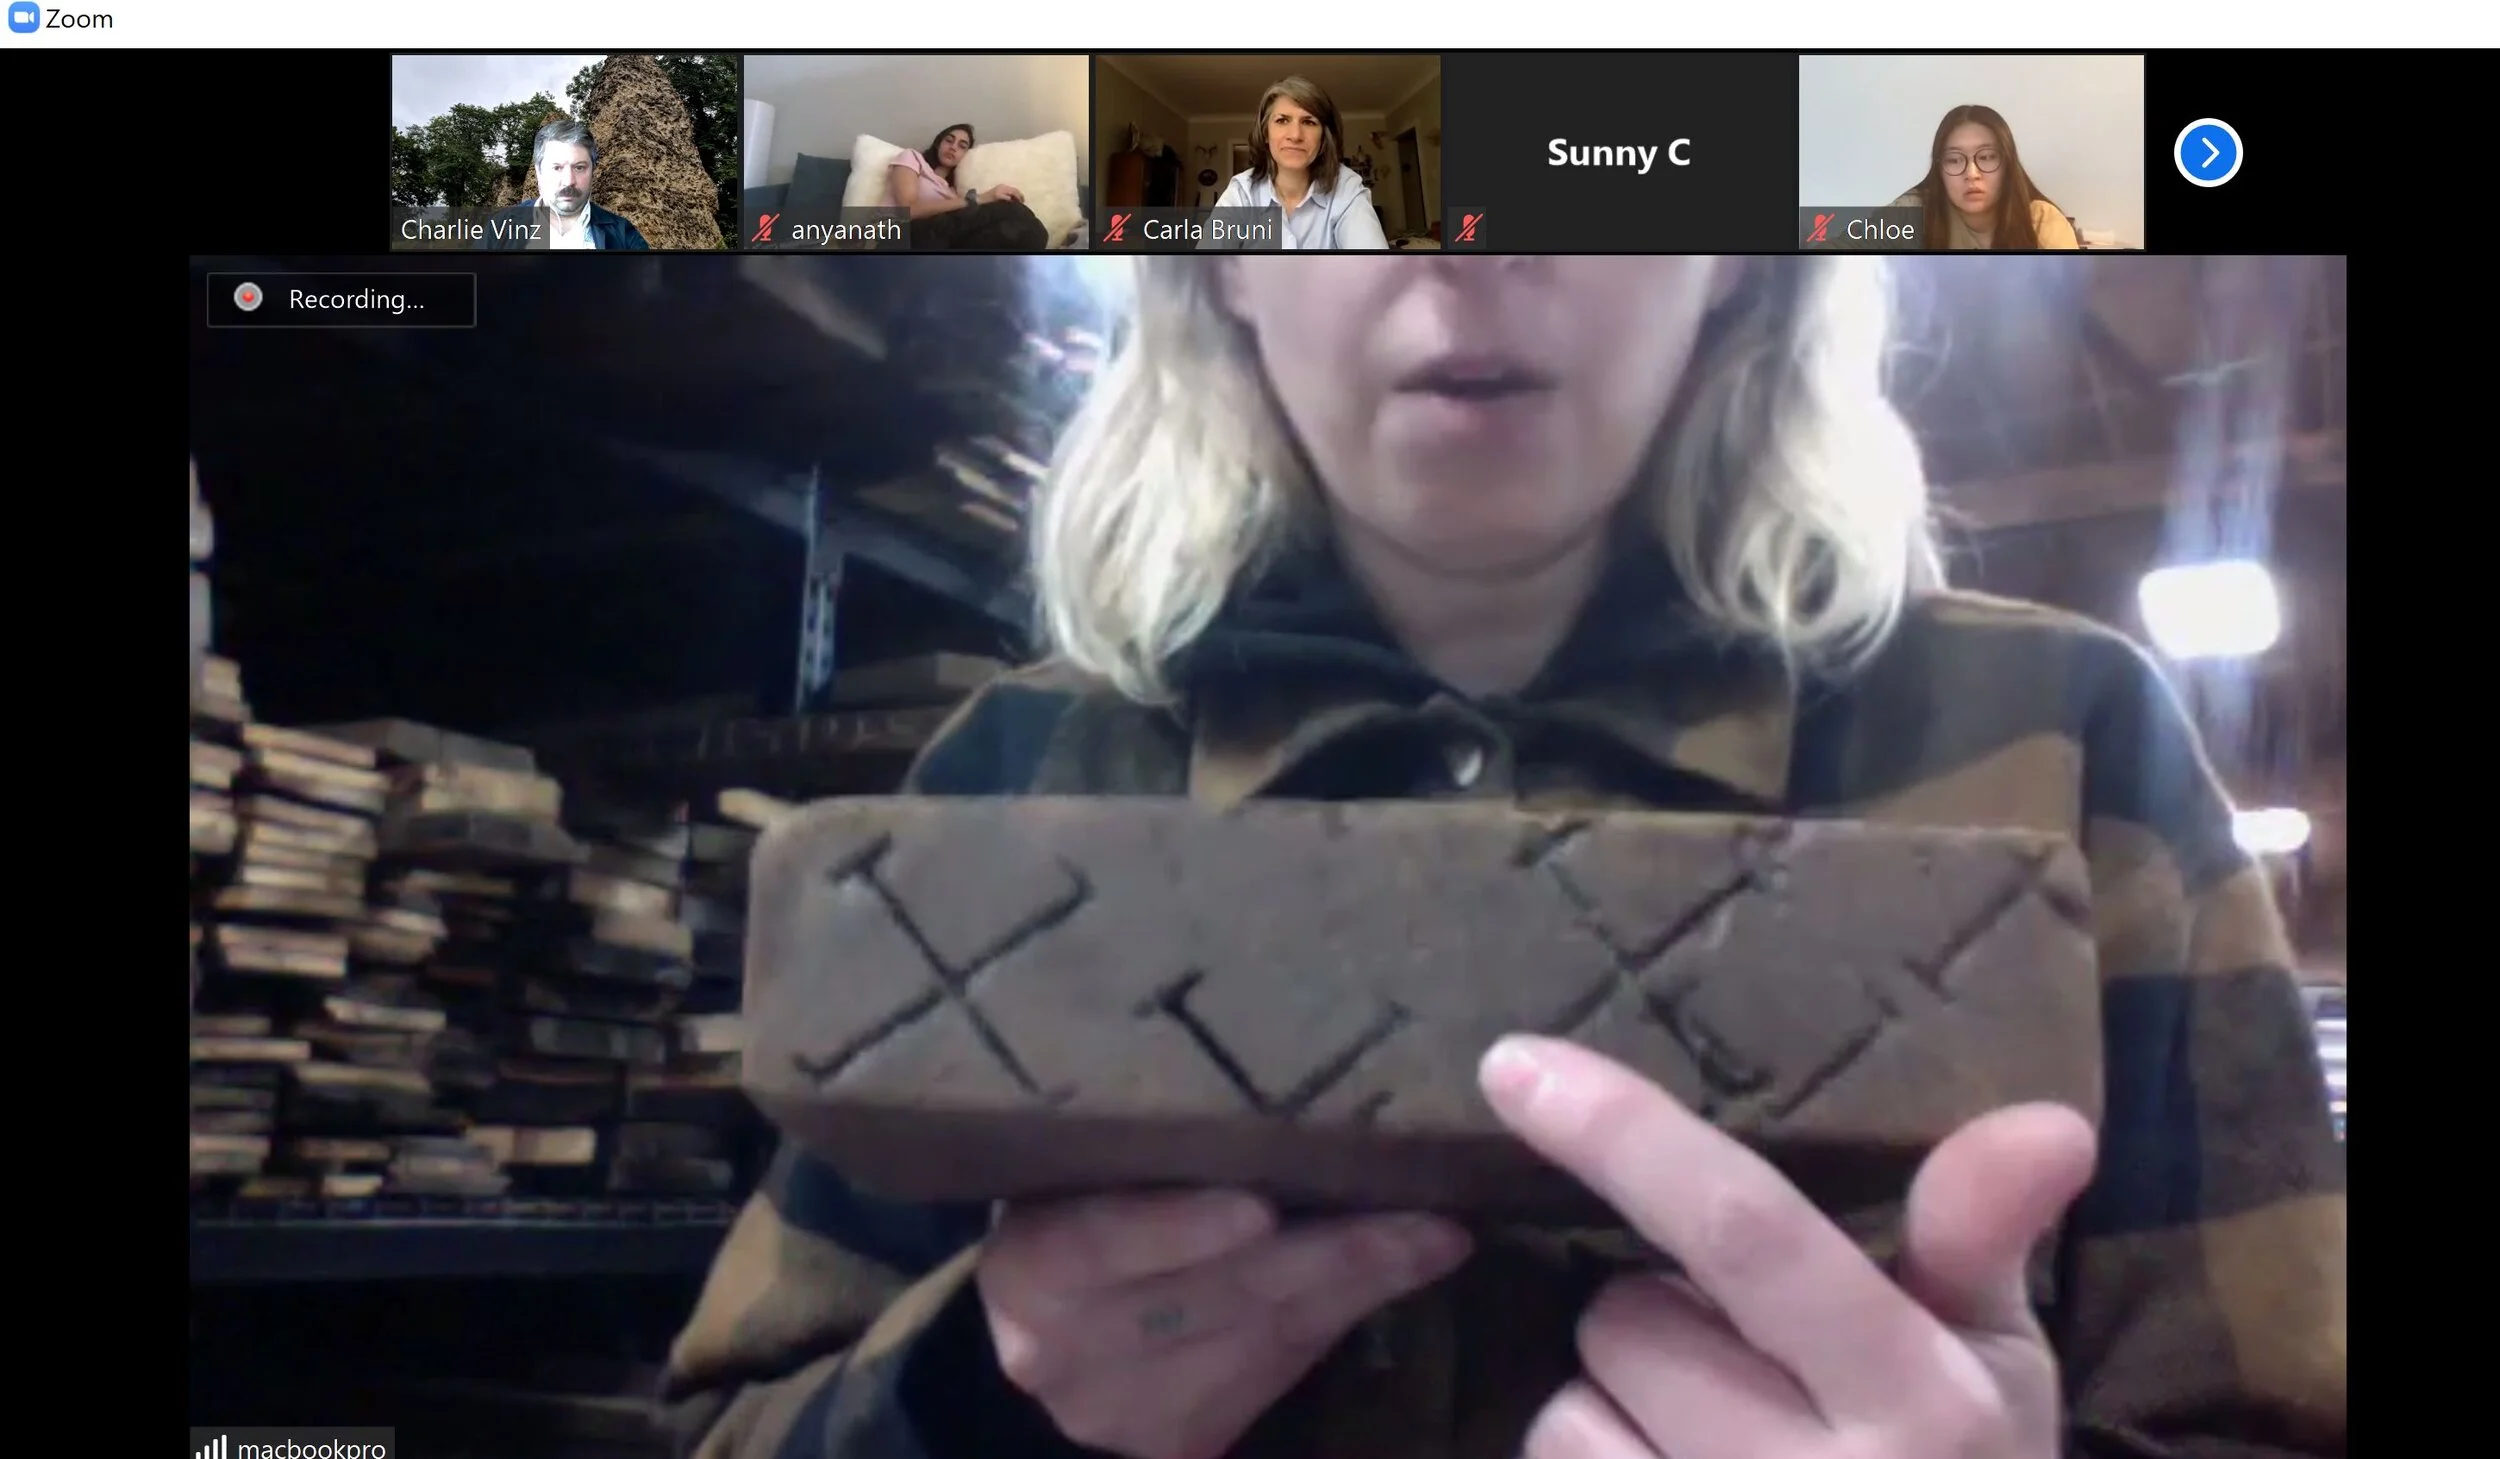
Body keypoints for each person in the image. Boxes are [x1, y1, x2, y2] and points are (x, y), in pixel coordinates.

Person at [663, 256, 2346, 1459]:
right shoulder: (1012, 777)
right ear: (1217, 261)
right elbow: (736, 1423)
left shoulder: (2067, 747)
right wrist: (978, 1397)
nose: (1465, 235)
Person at [1201, 77, 1389, 250]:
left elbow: (1374, 267)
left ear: (1324, 138)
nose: (1295, 135)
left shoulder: (1346, 187)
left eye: (1309, 122)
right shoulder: (1242, 192)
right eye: (1282, 120)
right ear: (1266, 133)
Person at [1891, 105, 2080, 251]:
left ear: (2008, 164)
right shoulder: (1911, 214)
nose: (1972, 174)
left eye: (1987, 157)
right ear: (1939, 168)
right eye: (1954, 160)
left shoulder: (2041, 221)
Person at [475, 119, 650, 251]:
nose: (568, 181)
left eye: (579, 167)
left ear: (593, 171)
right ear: (539, 172)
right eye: (557, 167)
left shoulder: (623, 235)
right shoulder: (499, 228)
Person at [889, 123, 1051, 252]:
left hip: (934, 245)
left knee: (999, 235)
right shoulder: (913, 157)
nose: (953, 147)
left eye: (962, 146)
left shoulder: (952, 193)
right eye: (949, 140)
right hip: (894, 234)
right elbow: (909, 210)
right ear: (938, 144)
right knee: (1010, 209)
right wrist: (980, 198)